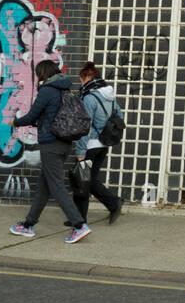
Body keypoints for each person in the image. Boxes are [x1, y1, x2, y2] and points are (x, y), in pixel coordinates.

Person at [8, 60, 91, 244]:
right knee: (44, 187)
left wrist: (15, 122)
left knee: (56, 186)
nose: (37, 77)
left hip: (50, 145)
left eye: (38, 74)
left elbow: (32, 116)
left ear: (43, 73)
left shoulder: (48, 90)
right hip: (64, 144)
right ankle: (28, 224)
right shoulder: (64, 89)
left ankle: (79, 225)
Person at [73, 61, 124, 225]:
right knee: (88, 181)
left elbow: (84, 127)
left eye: (81, 79)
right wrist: (105, 126)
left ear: (87, 77)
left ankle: (81, 218)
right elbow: (119, 115)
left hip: (90, 146)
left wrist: (80, 153)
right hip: (103, 145)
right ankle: (110, 204)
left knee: (82, 181)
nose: (81, 82)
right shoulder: (109, 95)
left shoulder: (89, 98)